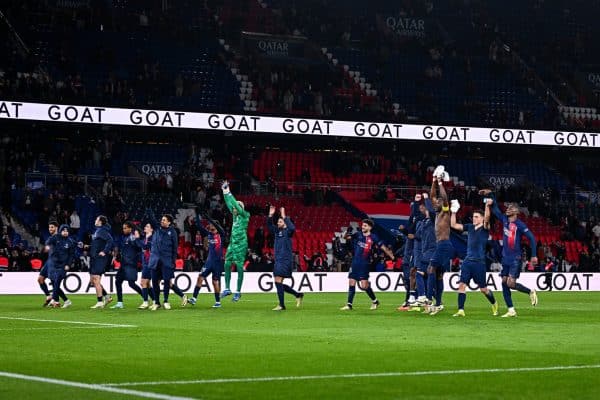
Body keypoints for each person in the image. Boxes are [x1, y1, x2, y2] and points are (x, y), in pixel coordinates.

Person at [480, 189, 538, 317]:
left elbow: (532, 238)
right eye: (507, 208)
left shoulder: (520, 225)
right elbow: (495, 208)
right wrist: (489, 194)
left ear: (516, 211)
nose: (507, 209)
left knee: (510, 283)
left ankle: (530, 292)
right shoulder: (505, 220)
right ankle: (511, 310)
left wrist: (533, 255)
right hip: (505, 258)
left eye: (511, 208)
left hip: (515, 258)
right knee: (504, 282)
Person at [450, 199, 498, 317]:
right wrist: (454, 212)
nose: (474, 218)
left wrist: (487, 206)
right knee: (462, 285)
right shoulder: (470, 227)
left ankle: (494, 303)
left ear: (481, 218)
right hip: (467, 261)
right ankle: (461, 310)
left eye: (476, 217)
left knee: (483, 289)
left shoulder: (485, 227)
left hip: (479, 263)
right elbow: (453, 225)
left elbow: (487, 218)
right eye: (473, 217)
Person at [341, 219, 395, 311]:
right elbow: (346, 237)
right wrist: (346, 233)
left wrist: (392, 256)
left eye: (365, 225)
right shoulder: (358, 234)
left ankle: (375, 301)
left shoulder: (374, 237)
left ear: (370, 227)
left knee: (364, 286)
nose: (363, 227)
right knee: (351, 282)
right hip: (355, 262)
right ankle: (349, 304)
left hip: (364, 264)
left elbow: (383, 248)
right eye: (362, 225)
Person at [426, 166, 455, 315]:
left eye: (438, 202)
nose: (435, 203)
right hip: (442, 245)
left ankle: (429, 299)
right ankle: (439, 303)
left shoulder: (444, 212)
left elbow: (444, 199)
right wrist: (433, 181)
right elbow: (432, 196)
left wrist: (440, 183)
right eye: (435, 203)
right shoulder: (437, 213)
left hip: (444, 245)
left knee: (431, 268)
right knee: (438, 274)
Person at [267, 206, 303, 311]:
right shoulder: (277, 232)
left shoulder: (288, 232)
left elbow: (293, 228)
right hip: (279, 260)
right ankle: (297, 294)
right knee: (278, 282)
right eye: (278, 222)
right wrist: (270, 215)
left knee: (278, 280)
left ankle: (282, 305)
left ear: (285, 223)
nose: (278, 223)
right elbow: (269, 225)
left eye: (280, 222)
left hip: (285, 260)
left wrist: (284, 216)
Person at [149, 214, 187, 310]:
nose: (162, 221)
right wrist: (149, 210)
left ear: (169, 222)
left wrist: (173, 261)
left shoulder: (172, 232)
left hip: (167, 260)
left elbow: (175, 248)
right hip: (155, 260)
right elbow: (152, 219)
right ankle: (157, 302)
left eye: (164, 220)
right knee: (154, 282)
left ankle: (166, 301)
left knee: (167, 281)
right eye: (162, 219)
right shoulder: (157, 228)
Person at [221, 180, 250, 302]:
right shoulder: (235, 216)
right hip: (233, 243)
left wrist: (229, 192)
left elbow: (233, 203)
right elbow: (229, 203)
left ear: (240, 207)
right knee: (227, 263)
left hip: (241, 244)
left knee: (239, 267)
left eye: (236, 207)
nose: (234, 208)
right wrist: (224, 191)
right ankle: (227, 288)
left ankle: (238, 291)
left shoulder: (245, 215)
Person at [188, 214, 225, 308]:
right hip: (209, 262)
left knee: (215, 282)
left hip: (217, 262)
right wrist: (197, 214)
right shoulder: (209, 235)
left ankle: (218, 302)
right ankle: (194, 299)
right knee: (200, 277)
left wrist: (210, 218)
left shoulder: (221, 234)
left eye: (212, 224)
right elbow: (199, 227)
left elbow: (218, 228)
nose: (210, 226)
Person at [110, 222, 145, 309]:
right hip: (124, 264)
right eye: (123, 228)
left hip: (130, 264)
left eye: (125, 228)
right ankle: (120, 302)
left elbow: (139, 247)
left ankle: (146, 298)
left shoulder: (133, 237)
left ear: (130, 228)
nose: (124, 230)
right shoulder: (126, 238)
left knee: (131, 284)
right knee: (118, 281)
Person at [46, 224, 75, 308]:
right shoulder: (56, 237)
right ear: (60, 231)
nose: (65, 232)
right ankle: (66, 301)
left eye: (67, 231)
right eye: (64, 231)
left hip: (63, 266)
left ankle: (54, 300)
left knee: (57, 282)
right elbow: (48, 241)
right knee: (55, 284)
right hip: (54, 264)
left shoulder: (70, 242)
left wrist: (68, 265)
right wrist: (47, 245)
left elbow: (71, 255)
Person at [90, 215, 113, 309]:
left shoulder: (102, 230)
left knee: (96, 279)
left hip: (99, 259)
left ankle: (99, 302)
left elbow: (110, 240)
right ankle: (107, 297)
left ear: (100, 222)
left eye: (96, 219)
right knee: (93, 281)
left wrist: (105, 251)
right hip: (95, 258)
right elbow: (98, 244)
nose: (95, 220)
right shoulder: (98, 231)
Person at [38, 221, 58, 306]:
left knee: (54, 282)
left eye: (52, 227)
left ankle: (56, 300)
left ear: (56, 227)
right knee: (40, 279)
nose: (50, 229)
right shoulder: (50, 238)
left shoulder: (58, 238)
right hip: (48, 261)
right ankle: (48, 296)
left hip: (55, 262)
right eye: (49, 227)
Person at [137, 223, 155, 309]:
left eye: (147, 226)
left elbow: (145, 247)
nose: (145, 227)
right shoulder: (146, 238)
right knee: (147, 284)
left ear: (151, 229)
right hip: (146, 263)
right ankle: (155, 301)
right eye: (145, 226)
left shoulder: (151, 239)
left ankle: (145, 302)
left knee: (143, 282)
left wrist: (137, 238)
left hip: (149, 263)